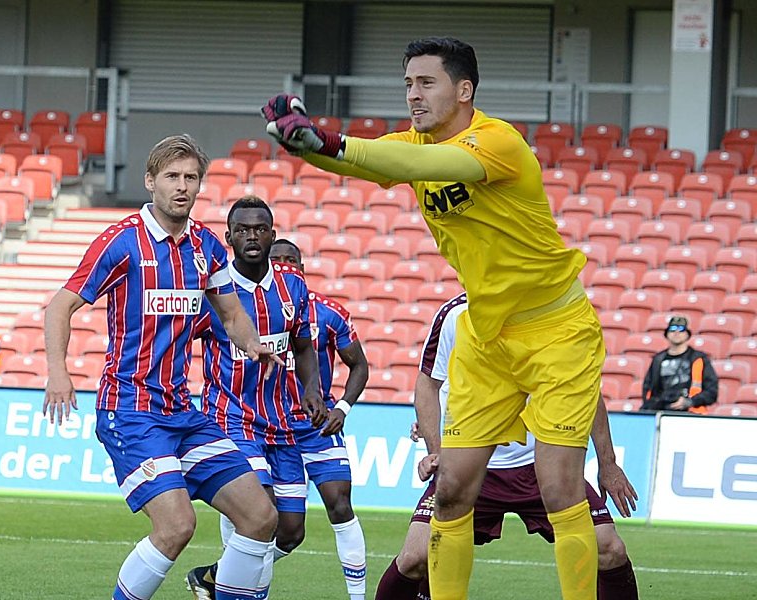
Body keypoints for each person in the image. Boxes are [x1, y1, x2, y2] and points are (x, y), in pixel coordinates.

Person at [262, 36, 605, 599]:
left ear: (464, 89)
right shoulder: (415, 142)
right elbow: (370, 161)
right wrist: (298, 142)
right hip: (485, 337)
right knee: (450, 493)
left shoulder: (498, 142)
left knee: (560, 490)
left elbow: (415, 161)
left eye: (426, 83)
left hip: (556, 330)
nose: (413, 95)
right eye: (407, 84)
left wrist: (323, 137)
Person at [43, 134, 282, 600]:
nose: (183, 186)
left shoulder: (207, 246)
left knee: (260, 517)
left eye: (191, 177)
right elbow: (59, 307)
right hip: (130, 411)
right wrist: (58, 372)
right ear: (150, 180)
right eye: (172, 176)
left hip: (183, 414)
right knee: (177, 525)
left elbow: (231, 313)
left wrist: (254, 345)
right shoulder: (122, 242)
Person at [375, 294, 639, 600]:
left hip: (542, 465)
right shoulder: (457, 313)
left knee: (610, 550)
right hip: (472, 462)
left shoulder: (555, 311)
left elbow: (586, 391)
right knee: (415, 558)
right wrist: (435, 452)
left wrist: (608, 465)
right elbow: (427, 384)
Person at [186, 197, 326, 600]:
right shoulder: (213, 292)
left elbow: (303, 346)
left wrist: (311, 390)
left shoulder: (292, 285)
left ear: (272, 235)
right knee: (259, 510)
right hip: (229, 418)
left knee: (291, 530)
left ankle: (214, 578)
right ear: (228, 237)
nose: (252, 236)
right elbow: (176, 340)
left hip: (281, 421)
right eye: (243, 230)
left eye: (259, 229)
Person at [270, 238, 369, 600]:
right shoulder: (250, 309)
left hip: (317, 426)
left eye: (290, 260)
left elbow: (358, 365)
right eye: (275, 259)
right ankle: (230, 577)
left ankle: (358, 596)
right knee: (283, 529)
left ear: (302, 267)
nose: (283, 265)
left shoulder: (327, 312)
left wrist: (342, 407)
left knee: (341, 504)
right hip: (271, 429)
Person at [641, 316, 718, 414]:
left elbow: (712, 391)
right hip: (662, 412)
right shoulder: (658, 360)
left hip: (691, 414)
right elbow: (648, 390)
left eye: (681, 329)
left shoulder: (699, 359)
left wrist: (690, 402)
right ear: (667, 334)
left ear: (687, 334)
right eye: (672, 329)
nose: (676, 333)